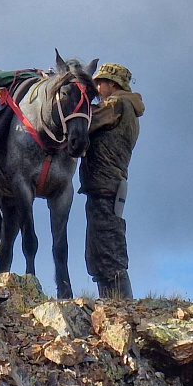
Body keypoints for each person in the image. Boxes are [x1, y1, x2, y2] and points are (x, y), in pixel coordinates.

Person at [79, 63, 145, 299]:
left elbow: (87, 121)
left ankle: (121, 304)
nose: (97, 87)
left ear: (114, 84)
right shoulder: (125, 106)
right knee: (98, 251)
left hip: (105, 186)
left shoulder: (117, 104)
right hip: (105, 186)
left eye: (100, 82)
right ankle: (111, 302)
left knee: (107, 250)